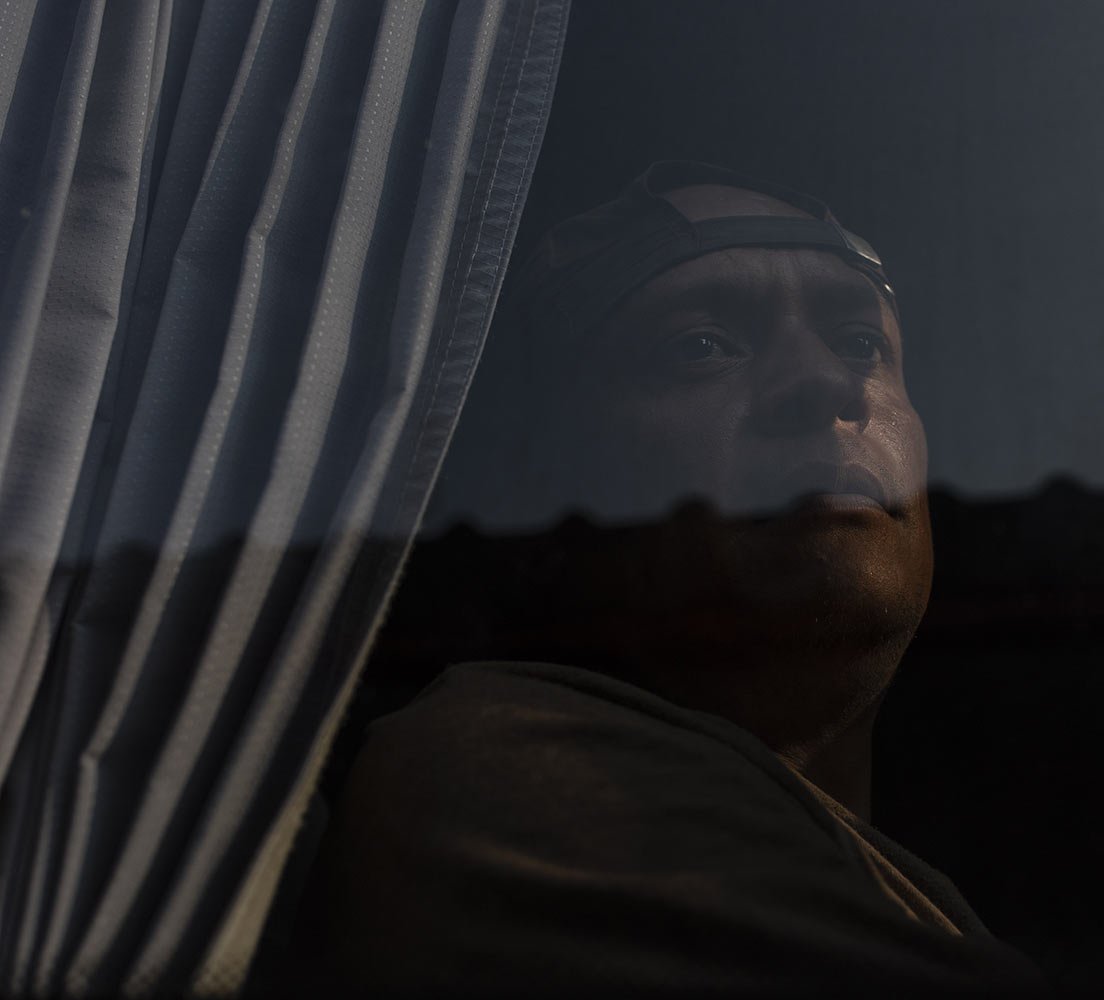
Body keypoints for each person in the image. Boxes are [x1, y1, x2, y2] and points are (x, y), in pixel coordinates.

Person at [287, 162, 1044, 995]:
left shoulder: (900, 877)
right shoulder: (503, 774)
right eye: (702, 347)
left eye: (860, 342)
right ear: (558, 486)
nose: (826, 382)